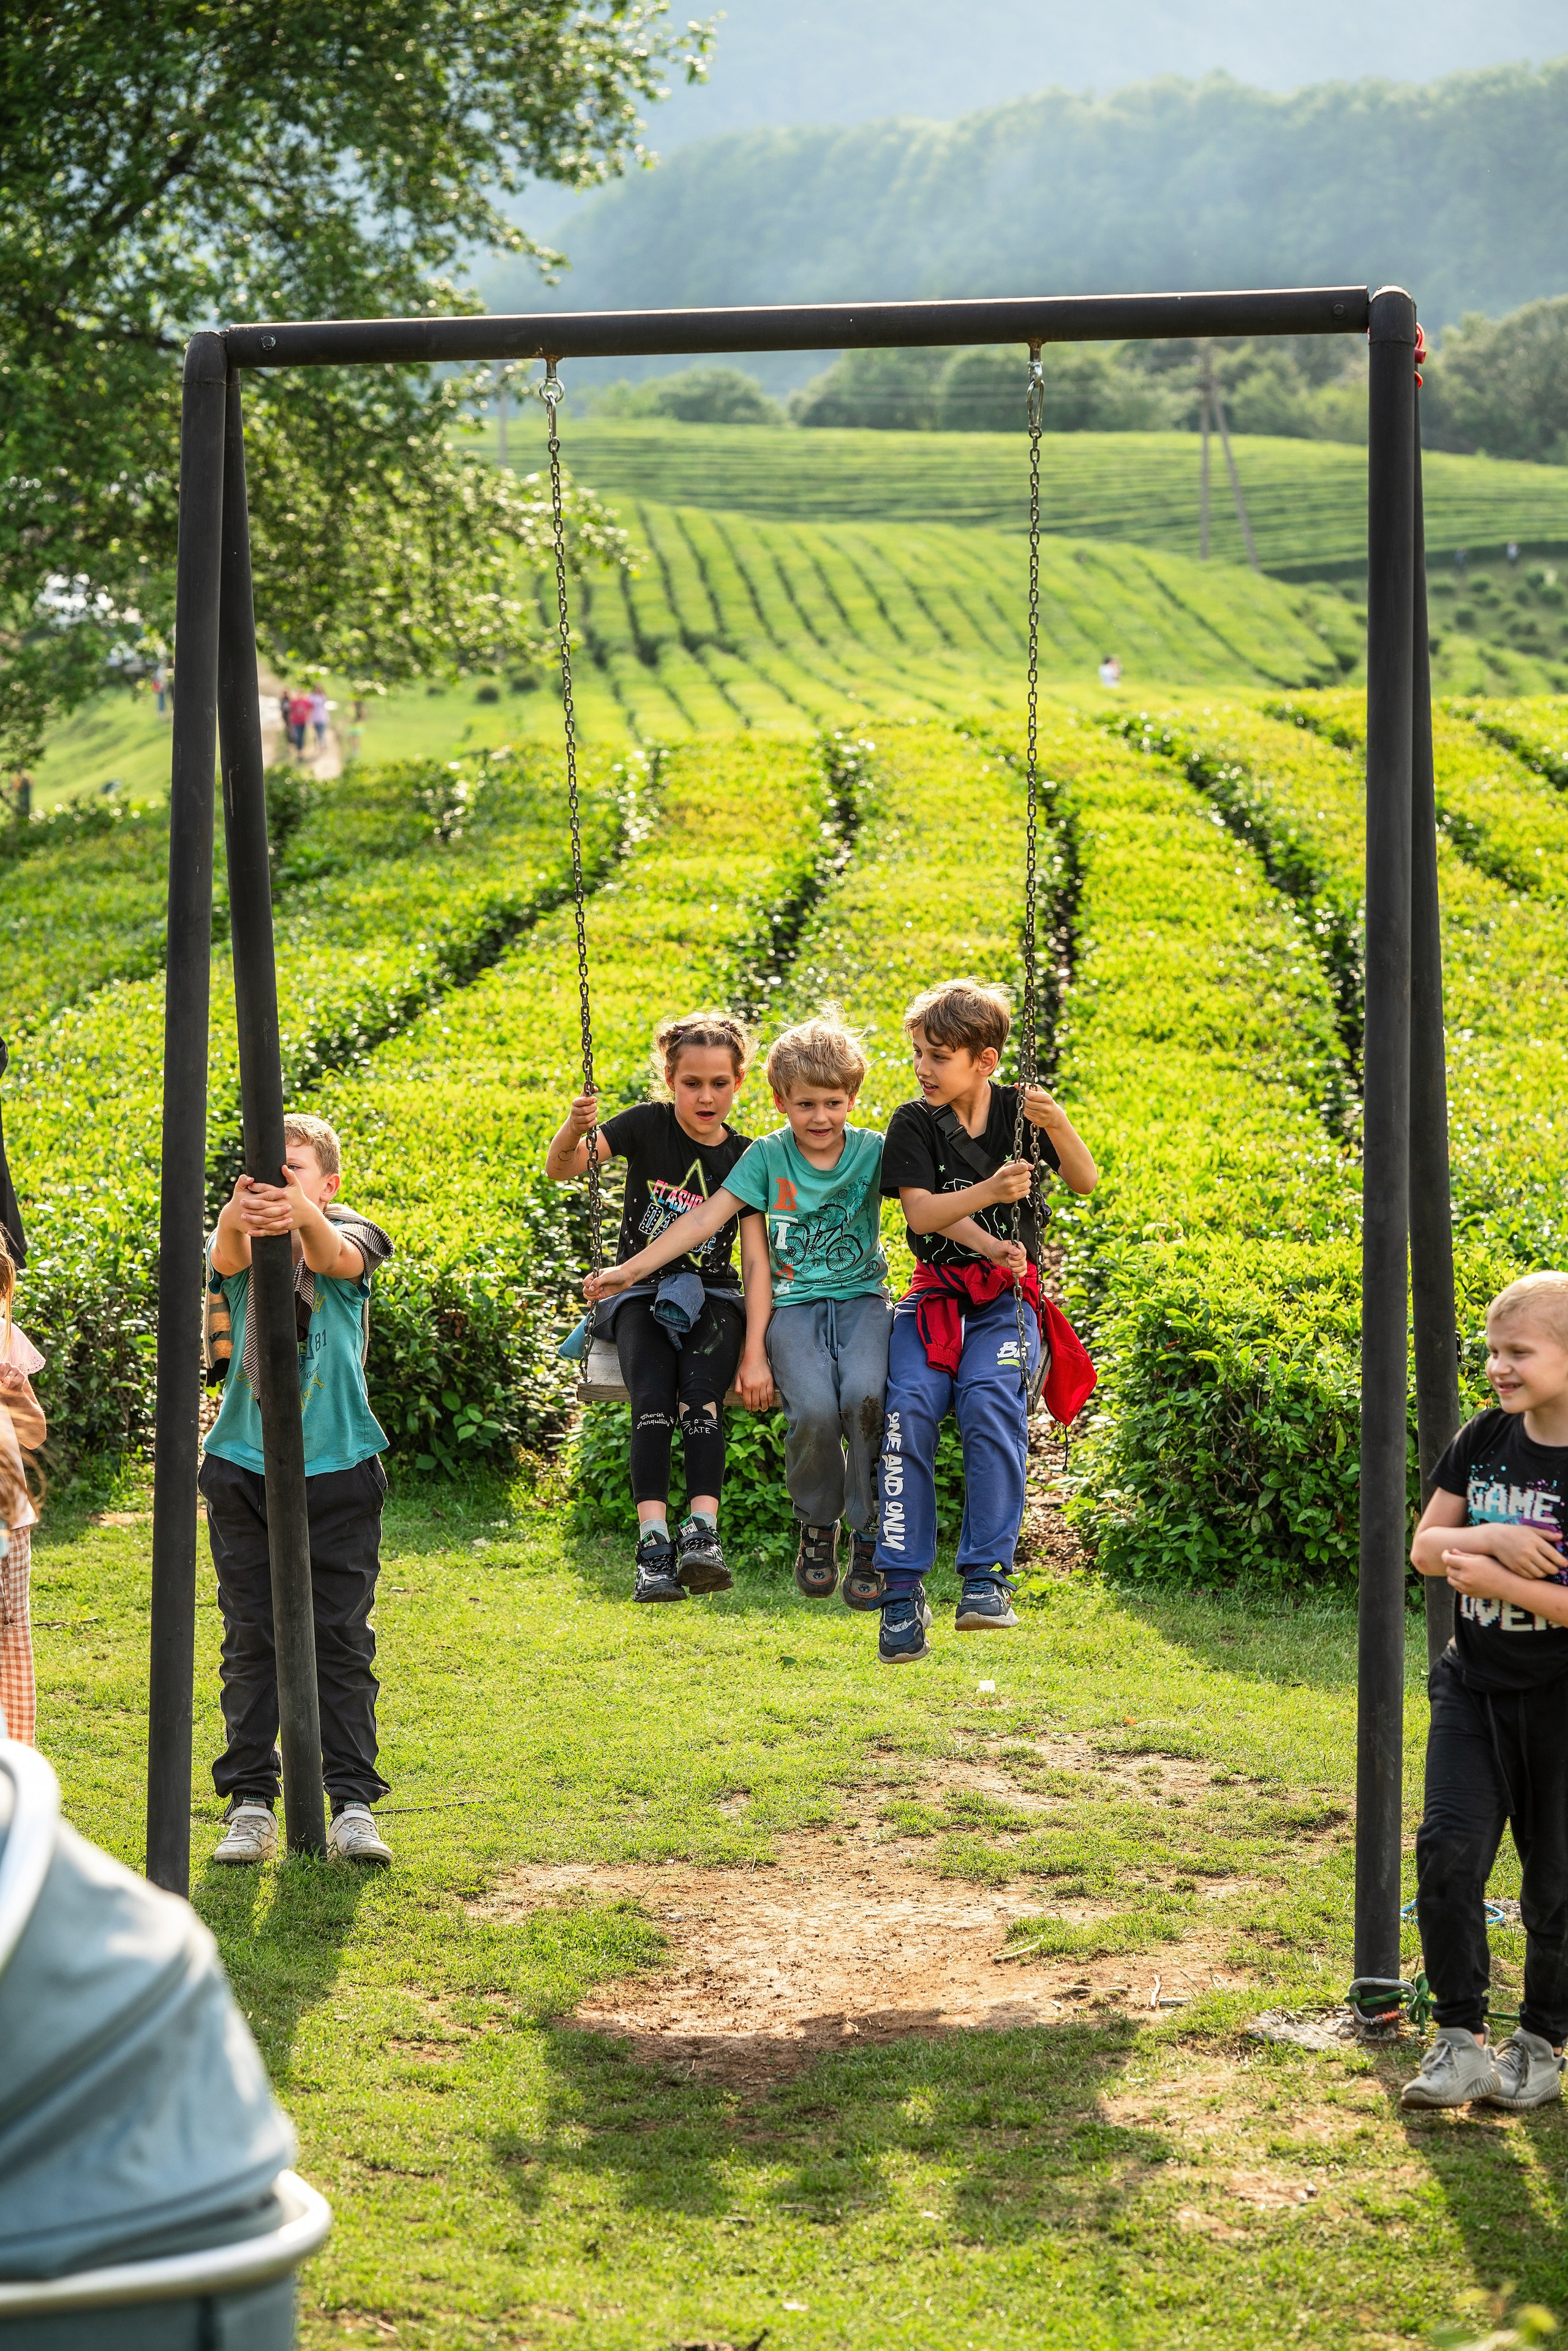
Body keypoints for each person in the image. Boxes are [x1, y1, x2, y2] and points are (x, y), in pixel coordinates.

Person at [588, 1015, 890, 1604]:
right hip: (794, 1306)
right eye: (806, 1104)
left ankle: (870, 1532)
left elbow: (933, 1199)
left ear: (854, 1099)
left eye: (835, 1102)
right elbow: (704, 1219)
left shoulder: (875, 1152)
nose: (822, 1117)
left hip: (862, 1301)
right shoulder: (765, 1159)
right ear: (779, 1100)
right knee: (816, 1412)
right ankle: (818, 1524)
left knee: (866, 1402)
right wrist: (629, 1272)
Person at [869, 979, 1099, 1664]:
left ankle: (984, 1580)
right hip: (934, 1291)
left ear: (985, 1060)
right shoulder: (912, 1121)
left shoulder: (1017, 1115)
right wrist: (989, 1199)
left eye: (939, 1056)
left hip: (1006, 1299)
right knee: (907, 1408)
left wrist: (1056, 1123)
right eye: (918, 1053)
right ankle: (901, 1590)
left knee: (990, 1400)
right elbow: (921, 1214)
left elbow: (1084, 1180)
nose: (923, 1067)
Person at [201, 1114, 396, 1867]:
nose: (277, 1186)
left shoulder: (351, 1230)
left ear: (329, 1182)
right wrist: (235, 1212)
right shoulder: (247, 1246)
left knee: (341, 1640)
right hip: (243, 1465)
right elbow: (224, 1254)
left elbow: (339, 1258)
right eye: (262, 1174)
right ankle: (250, 1801)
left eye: (294, 1171)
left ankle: (350, 1804)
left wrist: (299, 1209)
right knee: (252, 1640)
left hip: (339, 1469)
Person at [1403, 1271, 1568, 2113]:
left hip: (1561, 1704)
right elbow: (1427, 1549)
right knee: (1448, 1853)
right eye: (1492, 1351)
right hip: (1472, 1687)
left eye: (1519, 1352)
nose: (1499, 1367)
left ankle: (1539, 2045)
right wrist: (1494, 1536)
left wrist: (1487, 1567)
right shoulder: (1485, 1436)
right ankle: (1460, 2042)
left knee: (1555, 1887)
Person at [548, 1012, 770, 1602]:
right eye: (691, 1082)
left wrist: (754, 1352)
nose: (705, 1095)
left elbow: (753, 1264)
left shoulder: (748, 1157)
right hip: (639, 1296)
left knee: (700, 1398)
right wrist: (572, 1129)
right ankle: (652, 1546)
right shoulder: (646, 1126)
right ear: (669, 1079)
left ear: (738, 1083)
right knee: (650, 1399)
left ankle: (702, 1535)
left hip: (716, 1298)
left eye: (719, 1083)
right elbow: (564, 1167)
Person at [0, 1229, 46, 1746]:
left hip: (10, 1518)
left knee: (10, 1639)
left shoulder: (5, 1336)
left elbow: (35, 1432)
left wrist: (12, 1393)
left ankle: (12, 1770)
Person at [309, 685, 330, 752]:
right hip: (315, 717)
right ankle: (317, 746)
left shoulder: (322, 697)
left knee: (322, 733)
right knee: (316, 733)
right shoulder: (312, 697)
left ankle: (322, 746)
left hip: (322, 717)